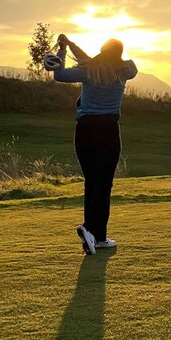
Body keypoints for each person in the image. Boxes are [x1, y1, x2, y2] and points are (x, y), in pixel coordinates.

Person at [50, 33, 138, 254]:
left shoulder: (89, 71)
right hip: (109, 131)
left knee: (91, 182)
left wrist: (62, 50)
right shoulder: (126, 70)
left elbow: (59, 75)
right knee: (104, 184)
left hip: (85, 131)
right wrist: (72, 45)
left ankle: (93, 234)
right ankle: (95, 234)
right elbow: (93, 60)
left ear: (101, 51)